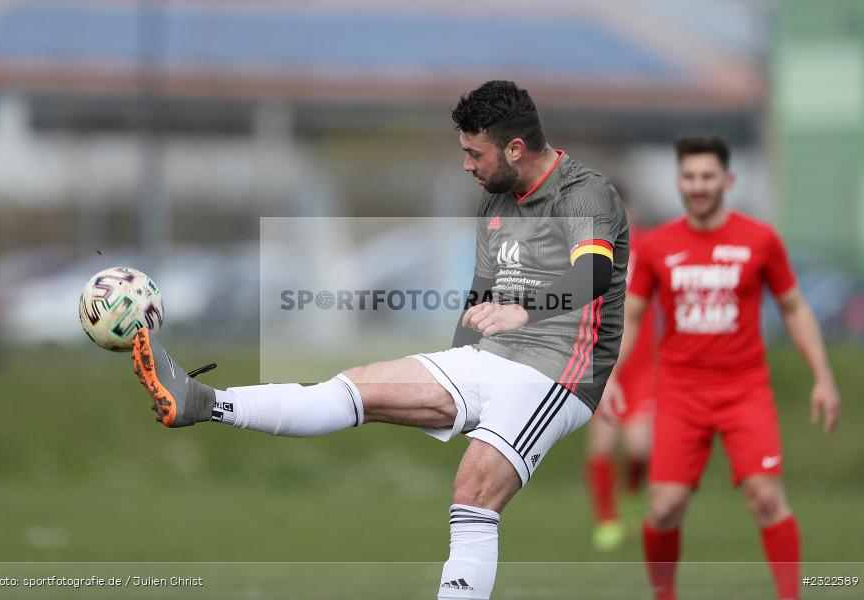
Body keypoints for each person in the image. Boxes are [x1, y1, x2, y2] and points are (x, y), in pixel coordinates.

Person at [132, 80, 629, 600]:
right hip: (490, 359)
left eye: (474, 153)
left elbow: (593, 275)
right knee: (356, 387)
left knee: (474, 494)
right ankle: (205, 402)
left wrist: (523, 309)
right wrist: (456, 375)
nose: (466, 165)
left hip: (559, 371)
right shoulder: (494, 201)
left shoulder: (584, 192)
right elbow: (479, 301)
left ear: (515, 148)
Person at [601, 135, 841, 600]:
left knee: (766, 497)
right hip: (679, 394)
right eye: (690, 177)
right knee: (664, 508)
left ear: (727, 180)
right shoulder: (658, 246)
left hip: (744, 390)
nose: (698, 185)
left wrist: (823, 378)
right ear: (679, 182)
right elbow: (631, 317)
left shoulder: (760, 240)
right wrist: (609, 375)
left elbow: (794, 308)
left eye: (708, 176)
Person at [585, 207, 657, 552]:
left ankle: (632, 492)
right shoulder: (590, 249)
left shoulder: (649, 247)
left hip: (642, 366)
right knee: (602, 444)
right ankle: (606, 519)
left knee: (640, 447)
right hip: (603, 364)